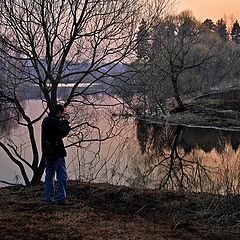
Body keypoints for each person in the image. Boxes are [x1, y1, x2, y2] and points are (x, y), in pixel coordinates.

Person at [42, 104, 71, 204]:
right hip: (56, 152)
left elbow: (55, 131)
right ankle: (60, 198)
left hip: (47, 152)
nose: (64, 114)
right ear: (59, 112)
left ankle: (48, 199)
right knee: (61, 175)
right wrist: (66, 122)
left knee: (49, 177)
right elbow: (63, 132)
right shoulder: (54, 121)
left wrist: (62, 122)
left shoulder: (46, 120)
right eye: (63, 112)